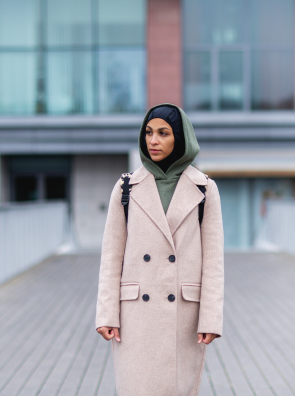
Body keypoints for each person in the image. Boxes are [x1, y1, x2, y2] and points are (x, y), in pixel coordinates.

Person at [95, 103, 224, 395]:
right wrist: (106, 314)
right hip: (135, 316)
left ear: (180, 138)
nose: (153, 140)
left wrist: (211, 318)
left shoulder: (204, 189)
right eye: (149, 133)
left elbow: (214, 262)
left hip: (183, 315)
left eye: (163, 133)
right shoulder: (126, 188)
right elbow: (111, 258)